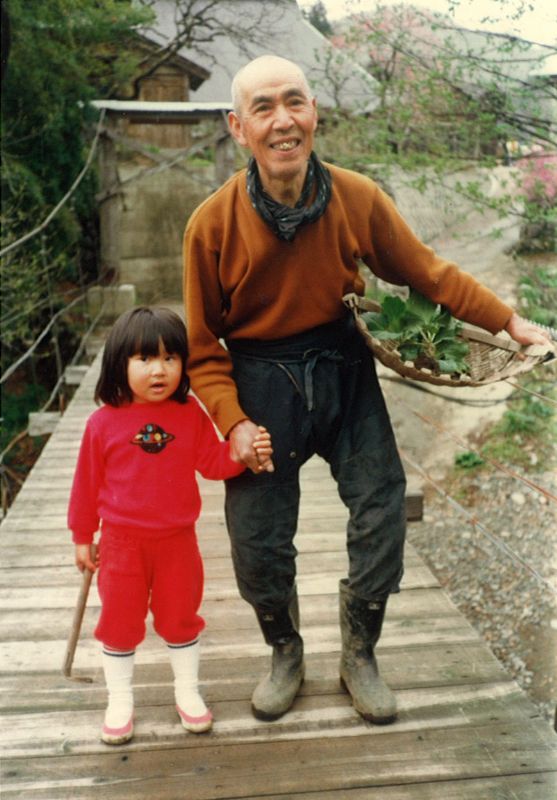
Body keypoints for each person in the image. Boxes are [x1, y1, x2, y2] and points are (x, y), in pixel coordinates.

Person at [183, 55, 552, 726]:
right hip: (261, 379)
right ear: (238, 127)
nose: (282, 120)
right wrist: (232, 421)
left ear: (314, 112)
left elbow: (429, 275)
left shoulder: (357, 197)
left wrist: (508, 322)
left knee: (382, 506)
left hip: (344, 366)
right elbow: (202, 348)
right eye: (262, 108)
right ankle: (285, 650)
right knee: (256, 534)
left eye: (293, 102)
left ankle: (360, 651)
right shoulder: (210, 224)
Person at [67, 306, 273, 745]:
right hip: (121, 543)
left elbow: (212, 463)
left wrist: (241, 454)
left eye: (170, 358)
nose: (159, 370)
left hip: (178, 542)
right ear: (120, 363)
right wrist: (83, 536)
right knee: (120, 622)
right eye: (144, 359)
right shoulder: (102, 423)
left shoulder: (191, 414)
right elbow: (85, 486)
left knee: (180, 617)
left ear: (184, 364)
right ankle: (120, 700)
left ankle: (188, 691)